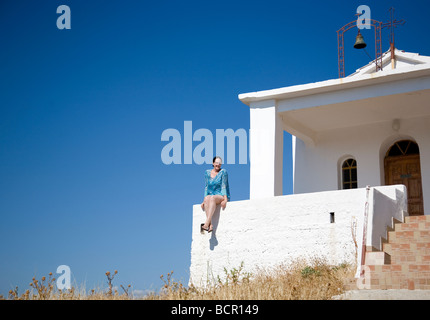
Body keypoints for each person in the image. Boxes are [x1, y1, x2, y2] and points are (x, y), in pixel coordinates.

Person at [200, 156, 230, 233]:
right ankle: (210, 225)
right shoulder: (207, 172)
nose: (218, 164)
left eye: (220, 163)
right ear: (213, 163)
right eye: (216, 163)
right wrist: (203, 200)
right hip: (210, 195)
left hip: (220, 195)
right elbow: (206, 186)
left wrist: (225, 199)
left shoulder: (223, 172)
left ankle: (207, 224)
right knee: (207, 199)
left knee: (212, 198)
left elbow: (224, 186)